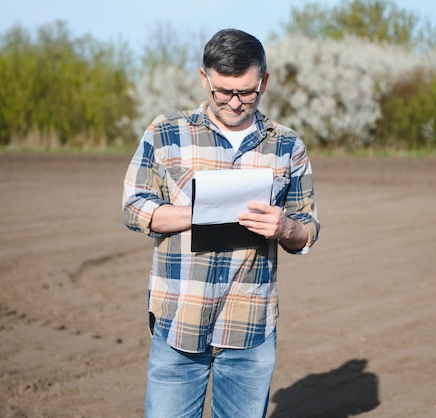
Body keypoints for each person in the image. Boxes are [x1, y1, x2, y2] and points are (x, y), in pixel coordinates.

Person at [122, 28, 320, 417]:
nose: (234, 103)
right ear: (204, 78)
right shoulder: (166, 133)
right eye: (222, 92)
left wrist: (285, 228)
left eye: (246, 92)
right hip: (179, 321)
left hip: (250, 327)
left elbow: (307, 227)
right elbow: (134, 207)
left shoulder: (286, 145)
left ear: (264, 81)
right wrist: (199, 215)